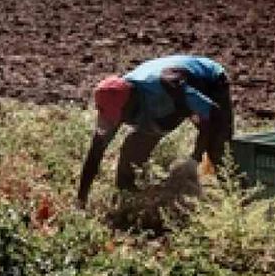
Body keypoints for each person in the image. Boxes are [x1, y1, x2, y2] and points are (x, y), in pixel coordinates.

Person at [76, 54, 234, 207]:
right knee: (133, 150)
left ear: (131, 102)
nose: (119, 122)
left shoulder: (168, 85)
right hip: (166, 105)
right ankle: (128, 199)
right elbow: (95, 152)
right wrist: (81, 200)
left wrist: (195, 158)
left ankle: (235, 198)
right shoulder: (114, 100)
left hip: (209, 82)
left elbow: (214, 114)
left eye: (121, 116)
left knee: (219, 149)